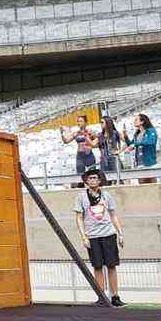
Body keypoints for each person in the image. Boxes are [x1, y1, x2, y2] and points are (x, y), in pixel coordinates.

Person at [74, 167, 126, 307]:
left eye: (95, 178)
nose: (92, 180)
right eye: (90, 178)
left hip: (108, 234)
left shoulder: (107, 195)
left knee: (111, 265)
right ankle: (101, 296)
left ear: (99, 179)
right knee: (97, 266)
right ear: (86, 180)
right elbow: (79, 217)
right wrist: (83, 236)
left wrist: (120, 233)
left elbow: (113, 215)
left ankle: (115, 296)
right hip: (92, 236)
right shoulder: (81, 197)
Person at [61, 115, 97, 185]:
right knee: (80, 174)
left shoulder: (89, 132)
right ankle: (82, 187)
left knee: (92, 174)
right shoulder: (76, 133)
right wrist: (62, 134)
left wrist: (91, 145)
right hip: (80, 155)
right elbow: (66, 141)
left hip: (89, 154)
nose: (79, 123)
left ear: (85, 122)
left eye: (80, 121)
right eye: (78, 121)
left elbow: (97, 140)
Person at [122, 114, 158, 184]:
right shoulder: (136, 134)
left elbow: (151, 141)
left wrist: (135, 144)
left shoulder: (151, 131)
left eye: (136, 120)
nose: (134, 121)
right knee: (142, 187)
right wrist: (125, 136)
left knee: (153, 186)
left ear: (142, 122)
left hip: (150, 163)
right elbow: (131, 144)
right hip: (139, 164)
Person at [91, 116, 122, 184]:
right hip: (104, 160)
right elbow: (92, 144)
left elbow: (126, 141)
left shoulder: (115, 133)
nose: (100, 124)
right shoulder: (100, 135)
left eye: (102, 122)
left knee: (118, 179)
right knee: (105, 180)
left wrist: (119, 150)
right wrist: (87, 137)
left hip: (114, 159)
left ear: (107, 123)